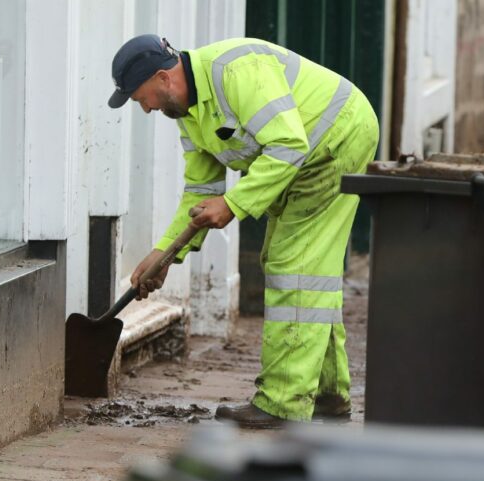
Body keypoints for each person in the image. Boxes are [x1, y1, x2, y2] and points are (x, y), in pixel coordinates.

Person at [108, 34, 378, 428]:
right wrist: (165, 255)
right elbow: (200, 193)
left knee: (295, 265)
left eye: (141, 97)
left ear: (164, 78)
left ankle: (284, 405)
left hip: (336, 139)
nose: (146, 109)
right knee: (308, 274)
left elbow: (288, 145)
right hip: (310, 154)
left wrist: (233, 205)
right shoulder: (190, 114)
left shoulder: (237, 72)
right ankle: (327, 395)